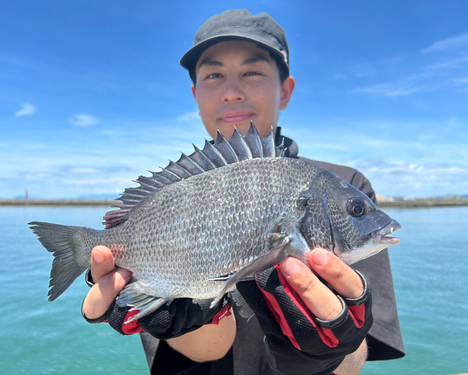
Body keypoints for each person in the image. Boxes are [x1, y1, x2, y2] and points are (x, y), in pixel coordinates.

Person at [81, 9, 405, 375]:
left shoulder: (345, 183)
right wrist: (192, 316)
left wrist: (327, 353)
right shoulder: (173, 193)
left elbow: (355, 359)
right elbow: (206, 352)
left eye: (252, 72)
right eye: (214, 75)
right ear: (195, 93)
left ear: (285, 90)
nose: (232, 92)